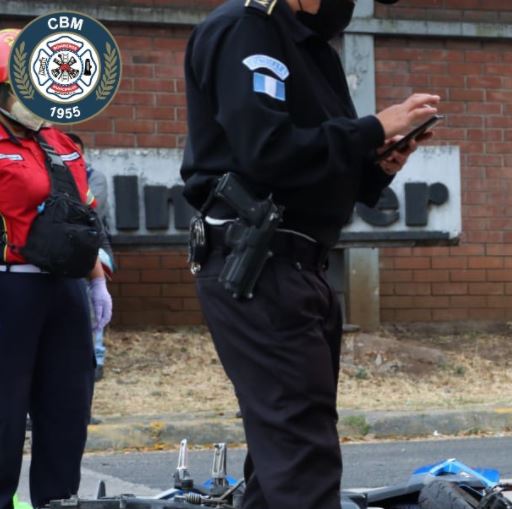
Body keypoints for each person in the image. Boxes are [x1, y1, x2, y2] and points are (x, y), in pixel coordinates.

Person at [179, 1, 438, 508]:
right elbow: (266, 150)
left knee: (284, 456)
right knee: (302, 456)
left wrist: (378, 164)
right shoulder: (245, 30)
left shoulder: (312, 51)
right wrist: (369, 128)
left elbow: (316, 165)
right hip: (257, 265)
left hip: (299, 267)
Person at [0, 29, 113, 509]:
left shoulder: (60, 140)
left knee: (67, 409)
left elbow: (85, 215)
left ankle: (59, 501)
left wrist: (96, 280)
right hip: (9, 289)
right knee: (4, 415)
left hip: (65, 289)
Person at [66, 132, 115, 382]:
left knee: (87, 280)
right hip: (62, 246)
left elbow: (91, 210)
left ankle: (96, 355)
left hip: (96, 246)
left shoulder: (94, 177)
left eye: (74, 152)